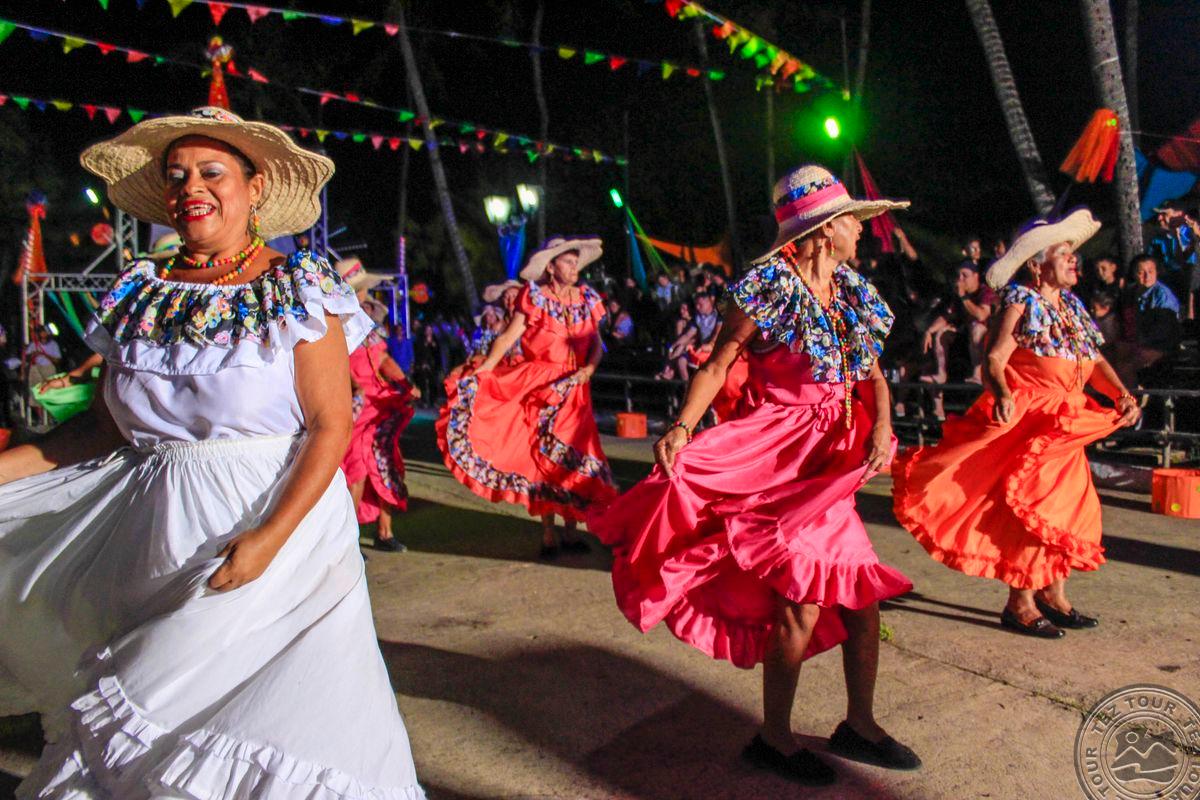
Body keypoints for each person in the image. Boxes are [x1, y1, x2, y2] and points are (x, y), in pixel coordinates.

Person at [0, 107, 423, 798]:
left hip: (277, 543)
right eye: (176, 175)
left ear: (255, 187)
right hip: (153, 541)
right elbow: (98, 432)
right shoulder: (141, 293)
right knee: (142, 740)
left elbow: (328, 426)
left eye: (211, 171)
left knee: (263, 727)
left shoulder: (299, 286)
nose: (190, 186)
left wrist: (267, 540)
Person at [590, 166, 919, 787]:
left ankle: (861, 725)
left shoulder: (850, 289)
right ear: (824, 231)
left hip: (831, 463)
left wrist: (880, 426)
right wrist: (683, 427)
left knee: (861, 602)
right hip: (778, 459)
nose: (861, 229)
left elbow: (870, 371)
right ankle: (774, 737)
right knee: (802, 601)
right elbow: (717, 366)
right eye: (852, 219)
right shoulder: (766, 288)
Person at [894, 209, 1140, 640]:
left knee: (1070, 509)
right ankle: (1020, 601)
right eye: (1063, 254)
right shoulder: (1020, 301)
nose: (1073, 261)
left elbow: (1094, 360)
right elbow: (994, 358)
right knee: (1035, 508)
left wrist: (1120, 393)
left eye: (1071, 254)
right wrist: (1004, 393)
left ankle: (1053, 594)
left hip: (1067, 421)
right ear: (1036, 263)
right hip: (1035, 423)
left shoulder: (1073, 306)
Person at [437, 236, 617, 557]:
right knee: (540, 460)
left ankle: (571, 531)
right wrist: (485, 370)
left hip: (576, 388)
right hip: (538, 386)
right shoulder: (533, 298)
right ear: (550, 267)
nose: (574, 268)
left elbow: (596, 345)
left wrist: (588, 370)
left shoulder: (587, 299)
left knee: (573, 456)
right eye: (567, 262)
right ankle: (549, 533)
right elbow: (507, 339)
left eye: (576, 262)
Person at [336, 258, 420, 554]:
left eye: (362, 290)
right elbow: (332, 365)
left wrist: (406, 382)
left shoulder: (366, 326)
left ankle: (385, 532)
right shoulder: (332, 326)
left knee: (386, 463)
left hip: (380, 405)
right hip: (354, 409)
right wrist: (352, 386)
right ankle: (348, 541)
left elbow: (383, 359)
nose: (362, 295)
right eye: (357, 290)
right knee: (356, 469)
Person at [1116, 255, 1182, 388]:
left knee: (1125, 367)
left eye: (1150, 271)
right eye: (1141, 272)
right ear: (1134, 274)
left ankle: (1132, 400)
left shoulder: (1163, 296)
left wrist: (1139, 344)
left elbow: (1164, 331)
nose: (1146, 276)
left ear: (1157, 272)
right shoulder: (1132, 292)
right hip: (1137, 341)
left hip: (1160, 346)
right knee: (1111, 356)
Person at [664, 291, 722, 379]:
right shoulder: (698, 317)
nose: (697, 307)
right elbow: (688, 335)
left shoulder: (718, 315)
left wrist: (709, 345)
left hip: (715, 347)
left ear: (708, 302)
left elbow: (717, 334)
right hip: (701, 347)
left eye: (700, 304)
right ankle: (684, 386)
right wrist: (674, 345)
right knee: (679, 354)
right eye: (696, 305)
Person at [22, 324, 62, 390]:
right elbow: (26, 358)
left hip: (48, 368)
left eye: (45, 332)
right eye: (41, 332)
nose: (43, 334)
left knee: (50, 389)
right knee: (34, 389)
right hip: (35, 368)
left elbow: (57, 360)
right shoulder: (34, 344)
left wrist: (44, 354)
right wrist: (33, 354)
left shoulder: (54, 344)